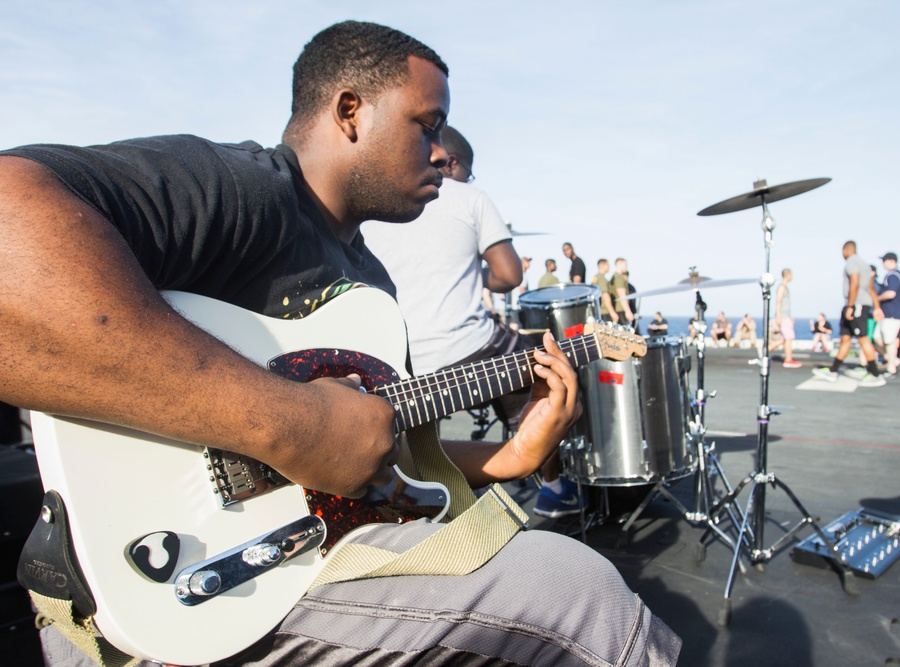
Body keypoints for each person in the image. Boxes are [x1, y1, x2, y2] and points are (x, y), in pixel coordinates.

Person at [0, 20, 680, 666]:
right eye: (428, 125)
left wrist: (513, 455)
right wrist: (287, 421)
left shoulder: (370, 286)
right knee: (578, 592)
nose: (444, 152)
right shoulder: (244, 190)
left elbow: (380, 463)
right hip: (171, 584)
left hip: (301, 560)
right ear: (350, 111)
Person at [363, 125, 530, 431]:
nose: (469, 179)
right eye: (469, 171)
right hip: (465, 352)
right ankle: (549, 475)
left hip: (397, 363)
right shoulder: (469, 196)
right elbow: (509, 275)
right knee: (538, 364)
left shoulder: (377, 202)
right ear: (451, 162)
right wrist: (477, 276)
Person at [812, 241, 886, 387]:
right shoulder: (865, 265)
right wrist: (877, 307)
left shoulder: (852, 262)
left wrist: (850, 306)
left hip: (856, 305)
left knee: (863, 339)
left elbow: (855, 283)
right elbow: (871, 288)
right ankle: (833, 371)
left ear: (846, 249)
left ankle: (875, 374)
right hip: (857, 304)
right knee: (845, 338)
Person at [872, 252, 900, 375]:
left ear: (891, 261)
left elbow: (891, 293)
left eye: (884, 261)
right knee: (877, 338)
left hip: (892, 313)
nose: (882, 263)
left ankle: (892, 368)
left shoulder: (893, 276)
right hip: (887, 314)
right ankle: (893, 360)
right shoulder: (893, 275)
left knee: (888, 341)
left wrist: (877, 298)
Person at [766, 268, 801, 367]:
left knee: (784, 339)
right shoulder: (781, 287)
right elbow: (778, 302)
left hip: (786, 316)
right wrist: (778, 316)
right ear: (788, 275)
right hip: (783, 316)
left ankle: (765, 350)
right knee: (788, 337)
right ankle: (788, 360)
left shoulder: (784, 287)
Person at [592, 257, 618, 323]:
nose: (609, 267)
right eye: (607, 265)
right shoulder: (601, 279)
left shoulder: (596, 277)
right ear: (601, 265)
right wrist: (612, 312)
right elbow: (605, 295)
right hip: (605, 312)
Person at [611, 257, 635, 325]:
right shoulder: (619, 277)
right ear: (619, 264)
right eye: (625, 265)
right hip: (621, 310)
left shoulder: (614, 276)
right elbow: (621, 294)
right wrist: (628, 311)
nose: (626, 267)